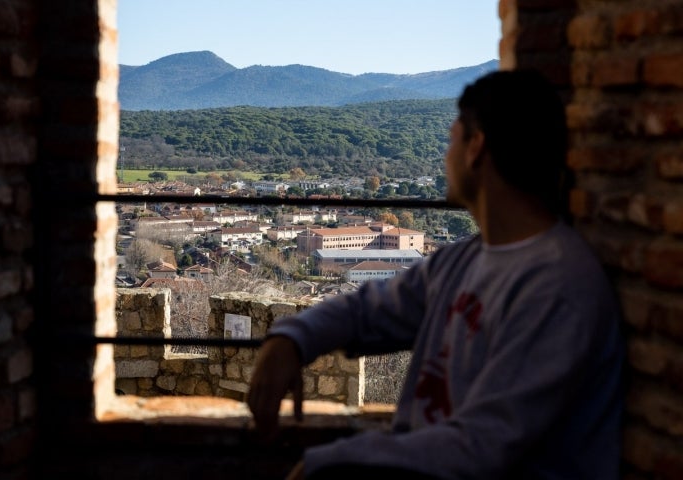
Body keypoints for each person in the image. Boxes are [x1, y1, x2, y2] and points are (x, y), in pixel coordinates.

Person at [246, 69, 625, 479]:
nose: (446, 154)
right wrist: (291, 338)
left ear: (476, 147)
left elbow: (482, 445)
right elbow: (368, 310)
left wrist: (333, 463)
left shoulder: (558, 288)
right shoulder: (463, 261)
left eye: (451, 138)